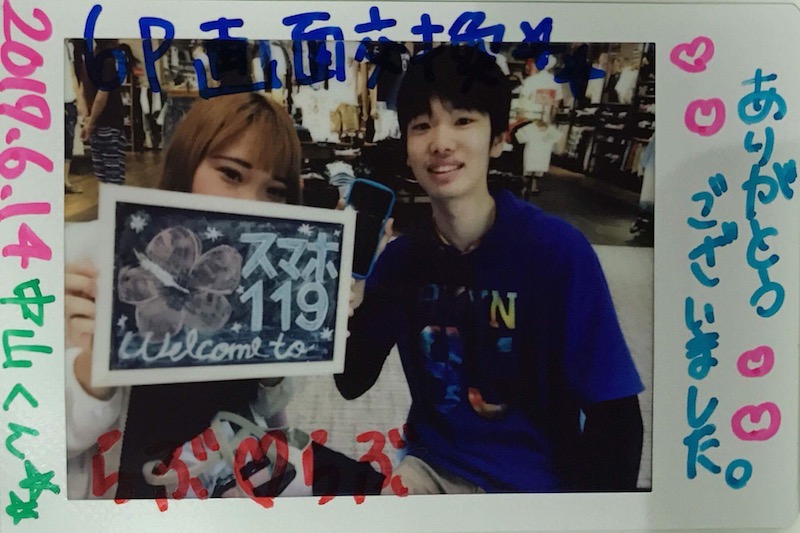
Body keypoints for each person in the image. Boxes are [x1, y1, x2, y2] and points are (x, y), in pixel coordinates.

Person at [337, 44, 645, 494]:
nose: (441, 142)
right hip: (432, 469)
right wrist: (346, 298)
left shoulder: (555, 252)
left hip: (537, 484)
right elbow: (351, 381)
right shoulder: (402, 260)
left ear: (499, 138)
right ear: (406, 149)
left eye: (463, 121)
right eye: (421, 126)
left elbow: (616, 416)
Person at [65, 92, 302, 500]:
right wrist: (92, 371)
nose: (252, 203)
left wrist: (280, 346)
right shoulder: (86, 258)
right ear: (187, 161)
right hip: (128, 493)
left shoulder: (260, 267)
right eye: (231, 174)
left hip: (227, 481)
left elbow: (266, 406)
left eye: (274, 190)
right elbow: (29, 438)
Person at [79, 39, 128, 185]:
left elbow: (83, 91)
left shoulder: (88, 59)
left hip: (95, 125)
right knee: (114, 177)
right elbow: (102, 95)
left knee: (102, 177)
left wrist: (88, 120)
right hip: (110, 123)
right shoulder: (108, 60)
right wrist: (91, 123)